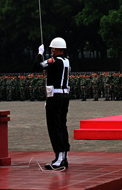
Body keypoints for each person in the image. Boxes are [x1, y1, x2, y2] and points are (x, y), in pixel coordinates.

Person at [33, 37, 71, 170]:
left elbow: (37, 66)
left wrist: (39, 53)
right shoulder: (66, 61)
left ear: (54, 49)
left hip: (55, 96)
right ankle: (64, 155)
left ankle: (59, 157)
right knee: (62, 125)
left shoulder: (54, 61)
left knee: (54, 126)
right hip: (65, 95)